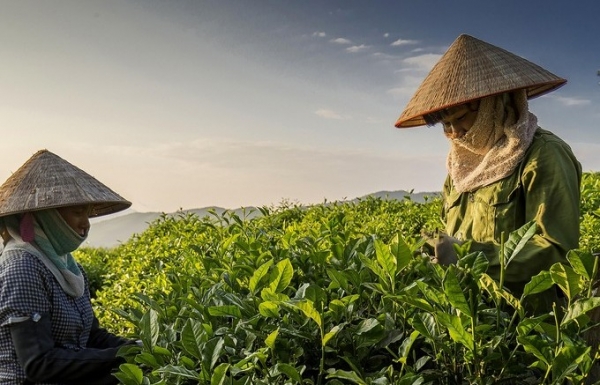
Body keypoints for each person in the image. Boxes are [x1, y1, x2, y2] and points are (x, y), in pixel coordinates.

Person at [394, 34, 581, 306]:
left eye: (460, 118)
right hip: (471, 316)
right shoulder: (460, 168)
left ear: (496, 105)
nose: (455, 133)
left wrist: (470, 254)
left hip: (527, 324)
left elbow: (556, 251)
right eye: (445, 125)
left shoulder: (543, 155)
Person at [0, 149, 135, 384]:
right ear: (48, 215)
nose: (86, 224)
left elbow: (91, 336)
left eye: (88, 214)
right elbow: (39, 363)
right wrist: (122, 358)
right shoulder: (23, 267)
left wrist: (136, 349)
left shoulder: (69, 268)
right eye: (77, 213)